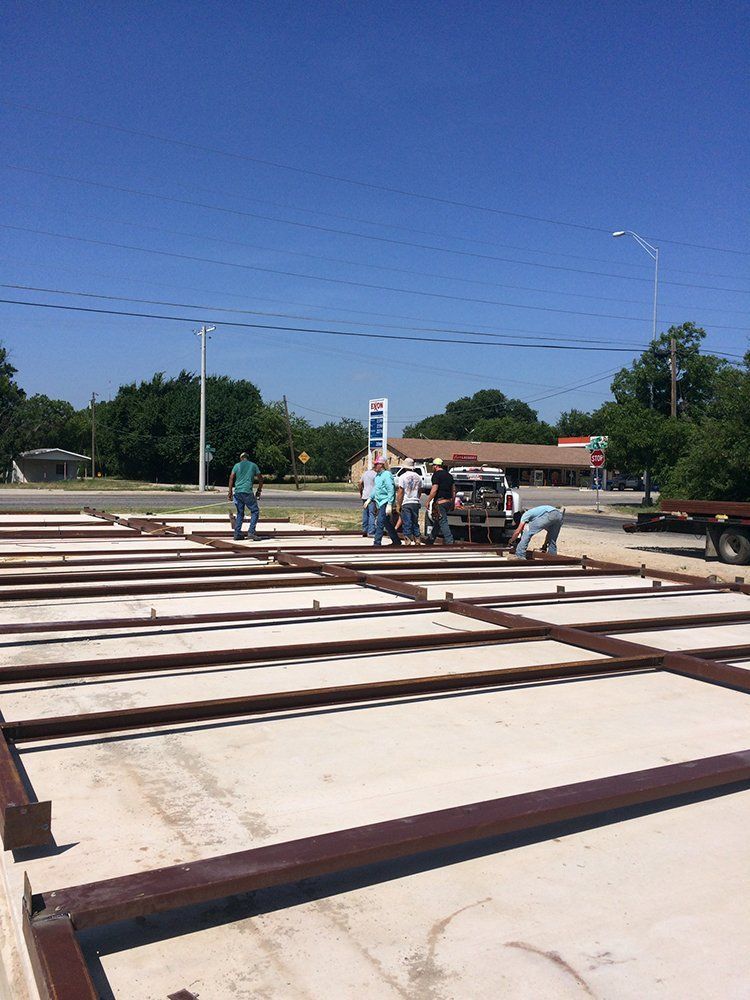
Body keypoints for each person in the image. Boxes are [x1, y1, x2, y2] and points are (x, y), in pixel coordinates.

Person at [228, 451, 263, 541]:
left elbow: (231, 478)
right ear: (247, 458)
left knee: (240, 513)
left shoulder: (237, 466)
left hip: (238, 492)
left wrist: (230, 492)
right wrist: (259, 490)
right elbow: (260, 479)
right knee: (255, 511)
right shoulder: (253, 465)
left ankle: (237, 533)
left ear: (241, 458)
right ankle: (251, 532)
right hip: (247, 491)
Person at [369, 457, 402, 546]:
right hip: (379, 502)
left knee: (380, 521)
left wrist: (390, 503)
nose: (374, 466)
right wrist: (370, 498)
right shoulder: (378, 476)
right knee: (386, 523)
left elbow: (390, 489)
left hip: (386, 501)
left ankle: (377, 543)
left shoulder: (387, 475)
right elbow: (376, 488)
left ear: (381, 465)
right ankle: (396, 541)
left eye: (376, 464)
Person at [424, 458, 455, 545]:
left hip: (440, 502)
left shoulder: (436, 475)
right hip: (448, 501)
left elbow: (434, 490)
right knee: (438, 521)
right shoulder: (449, 475)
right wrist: (453, 502)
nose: (433, 467)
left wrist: (428, 501)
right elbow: (453, 490)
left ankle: (450, 541)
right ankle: (430, 540)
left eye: (433, 465)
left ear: (436, 466)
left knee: (442, 521)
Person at [395, 457, 422, 545]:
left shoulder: (403, 477)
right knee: (415, 521)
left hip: (406, 502)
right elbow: (420, 490)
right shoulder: (418, 477)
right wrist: (417, 498)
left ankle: (407, 538)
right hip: (415, 501)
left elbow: (400, 491)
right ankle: (417, 538)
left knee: (407, 521)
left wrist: (398, 504)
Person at [359, 465, 377, 537]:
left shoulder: (365, 473)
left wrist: (361, 492)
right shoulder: (376, 475)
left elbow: (360, 483)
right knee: (372, 513)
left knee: (365, 513)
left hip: (365, 495)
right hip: (371, 496)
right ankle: (371, 531)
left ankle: (364, 530)